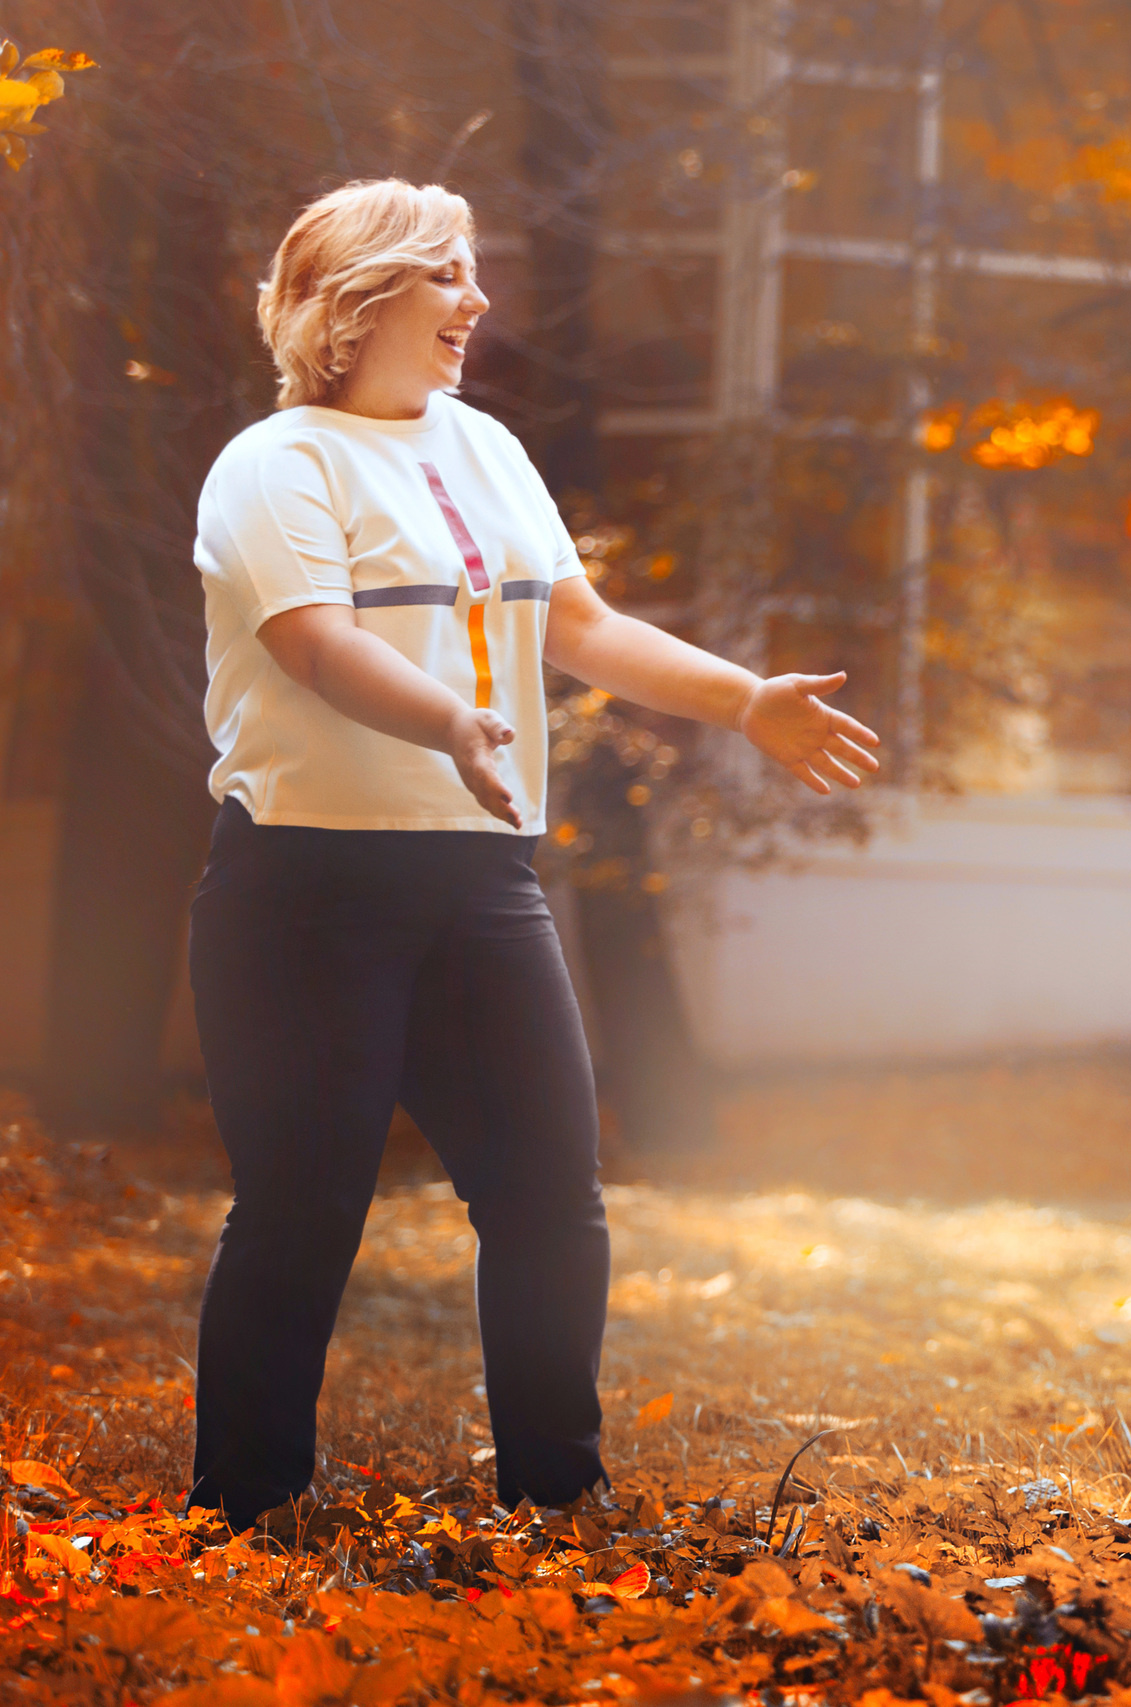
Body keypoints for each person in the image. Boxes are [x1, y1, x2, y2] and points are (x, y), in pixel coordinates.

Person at [186, 179, 881, 1527]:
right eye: (447, 274)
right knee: (300, 1210)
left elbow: (581, 623)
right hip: (308, 888)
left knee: (552, 1193)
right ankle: (244, 1506)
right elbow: (315, 644)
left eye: (474, 272)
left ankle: (559, 1492)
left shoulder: (487, 449)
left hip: (482, 880)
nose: (477, 300)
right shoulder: (274, 466)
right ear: (362, 293)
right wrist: (450, 714)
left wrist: (745, 699)